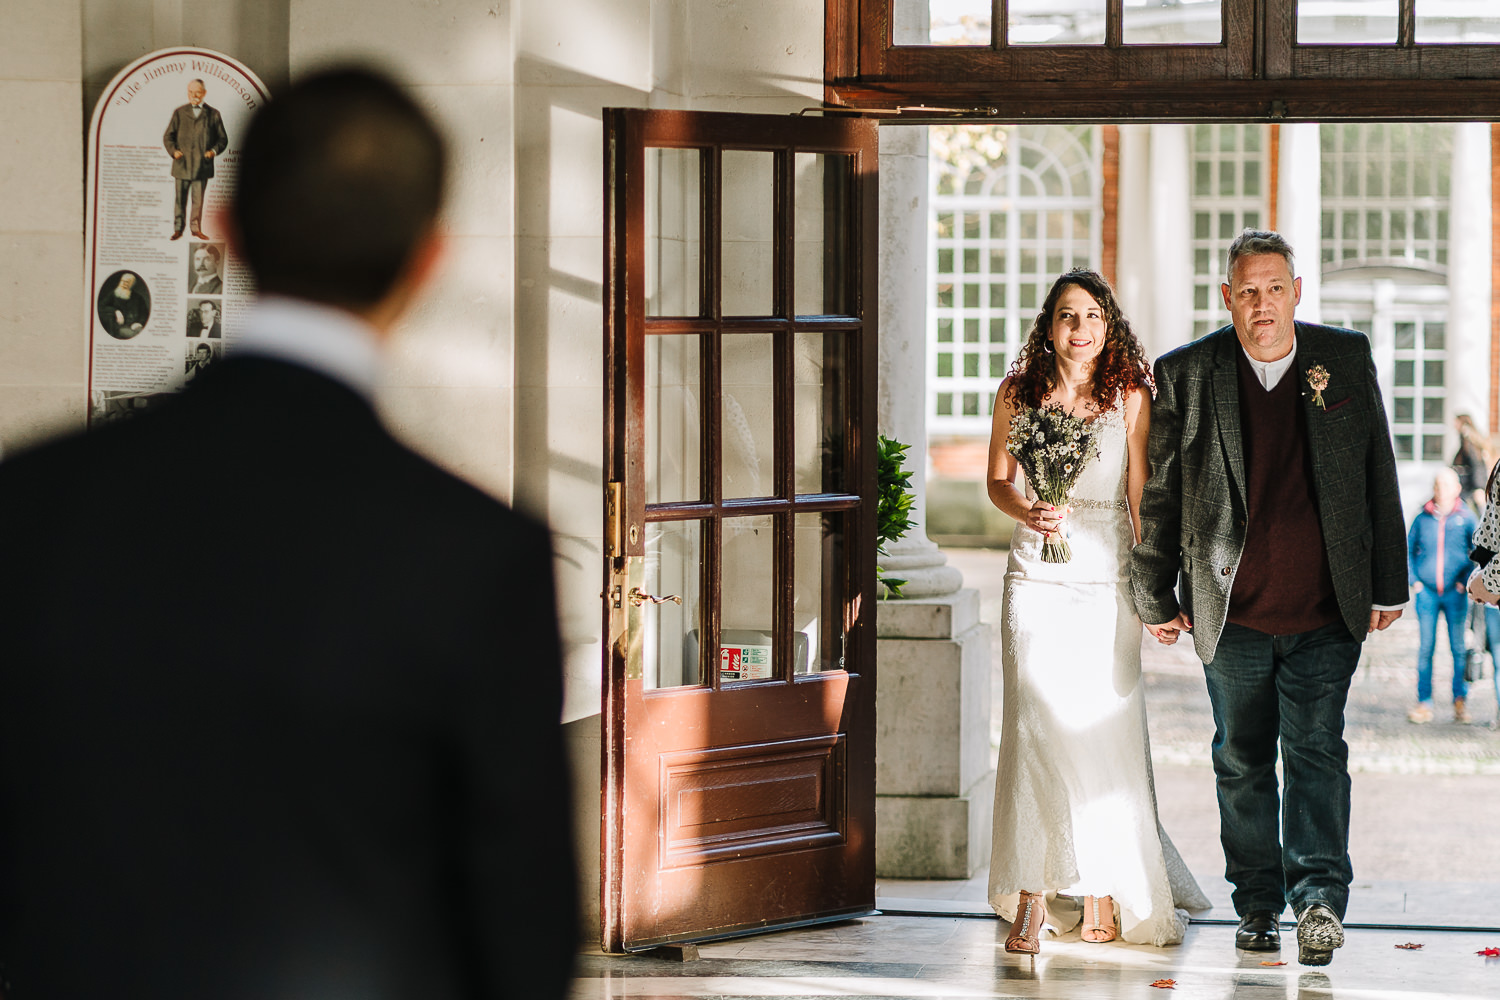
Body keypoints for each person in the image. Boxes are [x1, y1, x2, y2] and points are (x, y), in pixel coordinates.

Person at [0, 67, 578, 1000]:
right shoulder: (477, 551)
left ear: (225, 231)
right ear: (427, 260)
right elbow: (520, 908)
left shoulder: (29, 500)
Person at [1130, 230, 1407, 967]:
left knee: (1316, 752)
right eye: (1246, 291)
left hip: (1325, 609)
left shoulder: (1340, 358)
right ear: (1227, 297)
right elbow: (1160, 495)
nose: (1261, 304)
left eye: (1274, 288)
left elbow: (1379, 467)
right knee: (1240, 760)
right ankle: (1256, 905)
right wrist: (1152, 592)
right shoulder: (1188, 373)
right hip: (1234, 614)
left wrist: (1390, 581)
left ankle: (1318, 901)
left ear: (1297, 292)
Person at [985, 268, 1209, 954]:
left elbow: (1143, 501)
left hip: (1105, 576)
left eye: (1092, 316)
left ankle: (1103, 887)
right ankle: (1030, 894)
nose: (1079, 329)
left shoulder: (1131, 398)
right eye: (1066, 316)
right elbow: (997, 481)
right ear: (1048, 326)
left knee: (1100, 727)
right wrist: (1029, 507)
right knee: (1034, 726)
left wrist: (1155, 594)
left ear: (1108, 326)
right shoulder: (1017, 392)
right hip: (1035, 574)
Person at [1406, 468, 1476, 724]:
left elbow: (1478, 553)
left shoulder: (1467, 518)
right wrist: (1415, 583)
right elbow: (1407, 550)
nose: (1442, 490)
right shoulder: (1421, 518)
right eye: (1438, 485)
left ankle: (1460, 702)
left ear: (1457, 488)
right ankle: (1424, 702)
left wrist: (1464, 582)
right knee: (1426, 649)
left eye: (1447, 485)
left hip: (1455, 595)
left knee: (1458, 649)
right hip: (1427, 595)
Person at [163, 78, 229, 240]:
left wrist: (213, 151)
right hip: (182, 164)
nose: (194, 95)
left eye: (198, 92)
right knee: (180, 199)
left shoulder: (214, 114)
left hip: (202, 166)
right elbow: (168, 137)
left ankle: (195, 229)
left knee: (198, 201)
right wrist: (174, 151)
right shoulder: (179, 113)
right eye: (191, 92)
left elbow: (223, 139)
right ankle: (178, 229)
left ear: (204, 93)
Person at [1453, 414, 1491, 512]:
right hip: (1467, 489)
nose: (1454, 425)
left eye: (1456, 422)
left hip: (1469, 491)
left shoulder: (1468, 441)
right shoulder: (1467, 440)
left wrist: (1479, 488)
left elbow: (1477, 465)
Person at [98, 270, 148, 338]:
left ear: (132, 284)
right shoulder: (113, 294)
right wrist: (116, 311)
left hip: (134, 325)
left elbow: (144, 313)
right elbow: (101, 306)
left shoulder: (138, 297)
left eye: (128, 282)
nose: (124, 284)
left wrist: (139, 323)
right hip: (119, 327)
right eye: (123, 281)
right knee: (133, 335)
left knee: (143, 334)